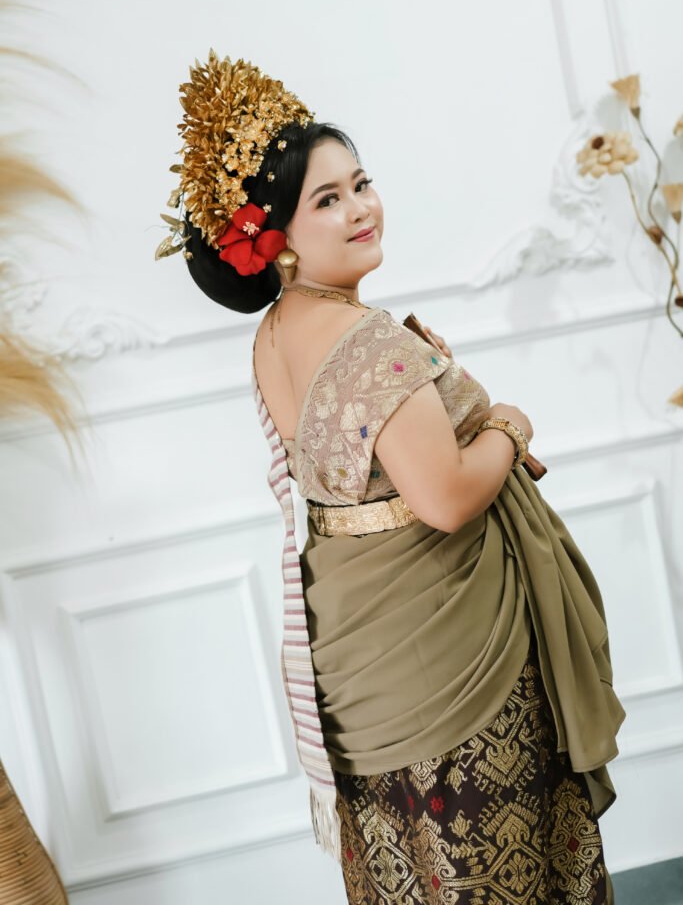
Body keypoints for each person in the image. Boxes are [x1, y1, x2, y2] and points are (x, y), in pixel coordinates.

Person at [156, 50, 626, 905]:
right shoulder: (368, 341)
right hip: (449, 651)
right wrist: (509, 424)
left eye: (361, 184)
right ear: (273, 238)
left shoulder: (273, 336)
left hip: (356, 656)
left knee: (412, 866)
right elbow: (444, 498)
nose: (360, 208)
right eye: (326, 200)